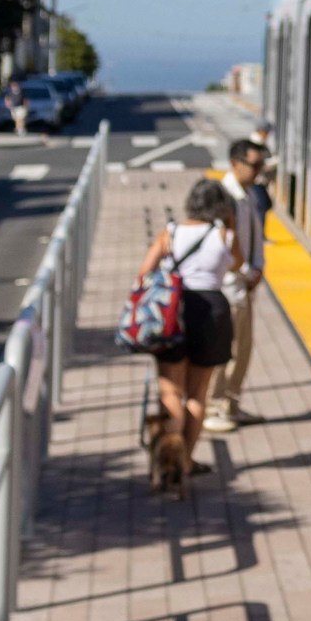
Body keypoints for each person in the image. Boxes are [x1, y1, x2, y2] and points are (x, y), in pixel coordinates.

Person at [131, 178, 245, 487]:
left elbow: (144, 273)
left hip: (173, 313)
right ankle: (186, 462)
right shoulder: (225, 234)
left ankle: (163, 461)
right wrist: (231, 223)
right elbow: (237, 265)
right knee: (197, 394)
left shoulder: (170, 233)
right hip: (212, 313)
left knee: (171, 393)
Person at [210, 138, 273, 432]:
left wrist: (259, 267)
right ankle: (215, 406)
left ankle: (231, 404)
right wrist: (247, 270)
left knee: (244, 347)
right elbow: (224, 245)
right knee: (225, 349)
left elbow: (255, 236)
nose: (259, 171)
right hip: (228, 286)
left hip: (245, 283)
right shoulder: (223, 197)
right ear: (236, 164)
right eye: (254, 165)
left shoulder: (250, 195)